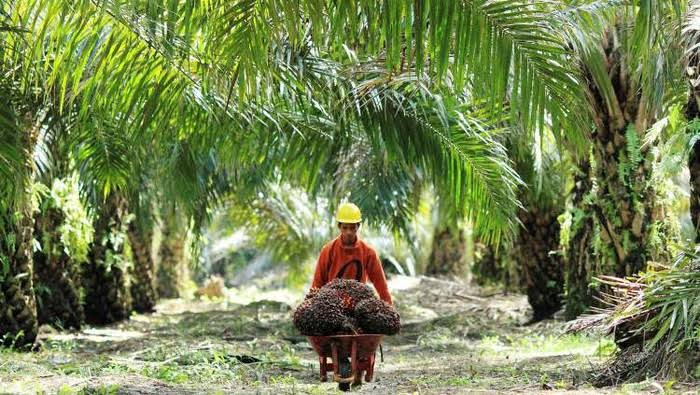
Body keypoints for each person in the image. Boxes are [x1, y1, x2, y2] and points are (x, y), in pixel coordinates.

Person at [311, 202, 392, 305]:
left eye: (352, 228)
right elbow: (318, 282)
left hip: (358, 304)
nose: (348, 232)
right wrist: (312, 305)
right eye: (345, 228)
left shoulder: (368, 252)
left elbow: (381, 284)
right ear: (339, 226)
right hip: (333, 305)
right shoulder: (328, 250)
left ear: (358, 226)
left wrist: (389, 308)